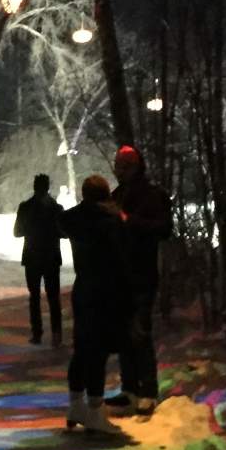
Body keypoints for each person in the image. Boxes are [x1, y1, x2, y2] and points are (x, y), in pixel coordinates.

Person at [60, 175, 132, 434]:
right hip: (107, 290)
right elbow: (123, 259)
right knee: (99, 351)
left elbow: (63, 222)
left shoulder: (73, 219)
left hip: (83, 288)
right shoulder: (111, 222)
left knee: (82, 348)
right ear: (106, 195)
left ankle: (75, 404)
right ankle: (95, 409)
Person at [110, 144, 172, 417]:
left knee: (140, 332)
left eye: (125, 166)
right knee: (123, 334)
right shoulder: (118, 195)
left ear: (136, 167)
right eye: (118, 166)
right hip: (119, 275)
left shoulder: (152, 195)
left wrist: (128, 221)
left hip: (142, 274)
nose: (120, 171)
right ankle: (130, 387)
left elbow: (163, 228)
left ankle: (148, 390)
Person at [13, 173, 64, 345]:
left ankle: (37, 333)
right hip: (51, 256)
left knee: (34, 297)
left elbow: (17, 232)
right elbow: (63, 233)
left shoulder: (25, 207)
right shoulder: (56, 208)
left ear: (34, 187)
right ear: (48, 187)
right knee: (53, 297)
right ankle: (57, 334)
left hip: (32, 256)